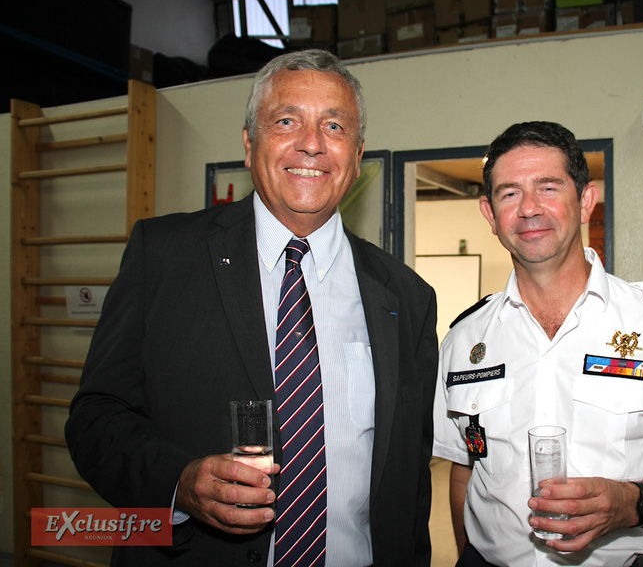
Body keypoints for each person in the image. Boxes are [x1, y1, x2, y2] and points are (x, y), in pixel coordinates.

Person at [66, 49, 438, 567]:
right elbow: (95, 417)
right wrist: (179, 482)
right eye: (286, 121)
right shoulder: (164, 255)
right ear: (248, 143)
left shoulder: (407, 296)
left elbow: (409, 477)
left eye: (334, 126)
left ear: (356, 155)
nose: (311, 144)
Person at [432, 121, 643, 567]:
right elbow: (465, 469)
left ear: (585, 201)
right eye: (510, 193)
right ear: (490, 214)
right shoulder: (465, 338)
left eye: (548, 188)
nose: (529, 209)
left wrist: (630, 503)